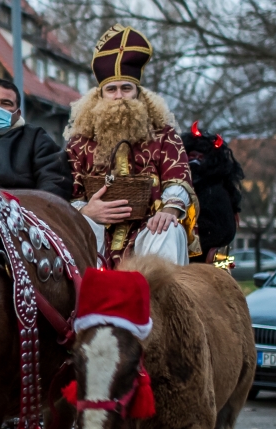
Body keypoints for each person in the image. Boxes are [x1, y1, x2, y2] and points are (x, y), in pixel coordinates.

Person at [65, 25, 198, 266]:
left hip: (148, 227)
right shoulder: (80, 142)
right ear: (100, 95)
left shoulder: (164, 135)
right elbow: (70, 192)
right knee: (80, 226)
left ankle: (159, 302)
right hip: (97, 231)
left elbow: (178, 180)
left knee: (169, 230)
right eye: (111, 89)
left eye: (126, 88)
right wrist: (86, 212)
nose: (119, 96)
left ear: (138, 94)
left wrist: (169, 210)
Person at [0, 79, 73, 200]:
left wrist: (32, 210)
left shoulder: (36, 139)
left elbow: (55, 182)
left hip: (23, 212)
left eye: (6, 103)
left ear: (18, 113)